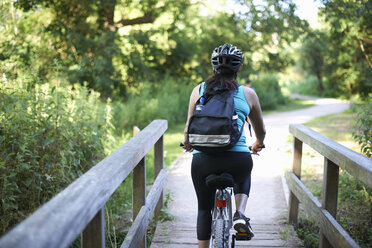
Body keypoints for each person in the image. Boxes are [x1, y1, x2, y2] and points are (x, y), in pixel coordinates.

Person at [182, 44, 266, 248]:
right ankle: (240, 214)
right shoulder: (248, 93)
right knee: (244, 173)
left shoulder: (199, 90)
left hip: (203, 161)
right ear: (238, 70)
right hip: (238, 161)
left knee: (204, 209)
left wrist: (187, 144)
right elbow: (261, 129)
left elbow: (188, 128)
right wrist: (258, 143)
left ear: (214, 68)